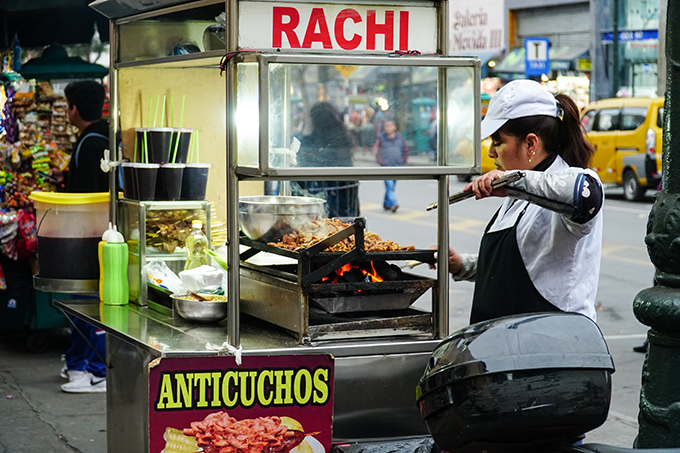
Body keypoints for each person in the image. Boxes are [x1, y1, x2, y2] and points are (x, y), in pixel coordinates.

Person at [440, 79, 603, 325]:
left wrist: (512, 181)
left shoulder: (573, 182)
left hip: (555, 347)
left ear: (530, 143)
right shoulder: (517, 198)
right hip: (505, 346)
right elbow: (517, 269)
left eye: (498, 142)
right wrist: (463, 264)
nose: (491, 153)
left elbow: (586, 194)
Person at [50, 80, 109, 393]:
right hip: (100, 233)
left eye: (66, 106)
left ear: (74, 108)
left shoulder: (90, 142)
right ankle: (82, 364)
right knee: (88, 301)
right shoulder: (101, 135)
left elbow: (88, 194)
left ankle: (89, 371)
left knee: (86, 302)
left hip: (90, 234)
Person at [292, 101, 360, 218]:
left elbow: (302, 173)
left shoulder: (309, 142)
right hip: (345, 201)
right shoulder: (344, 138)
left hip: (321, 203)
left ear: (313, 119)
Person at [375, 119, 409, 212]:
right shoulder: (381, 138)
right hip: (386, 166)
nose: (388, 128)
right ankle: (394, 203)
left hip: (397, 166)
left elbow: (405, 150)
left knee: (391, 186)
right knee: (389, 185)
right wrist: (382, 162)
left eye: (390, 125)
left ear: (394, 127)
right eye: (386, 126)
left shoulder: (399, 137)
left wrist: (403, 160)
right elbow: (377, 151)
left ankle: (386, 203)